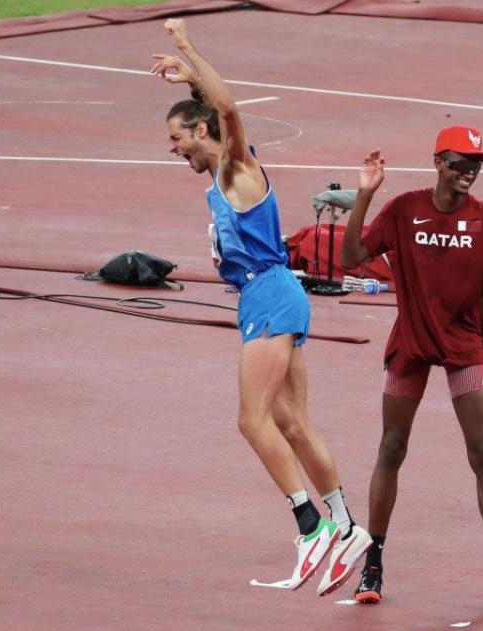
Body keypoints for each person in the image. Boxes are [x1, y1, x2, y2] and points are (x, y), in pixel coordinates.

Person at [150, 18, 371, 595]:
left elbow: (226, 107)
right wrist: (190, 77)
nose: (174, 151)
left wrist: (187, 48)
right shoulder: (222, 174)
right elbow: (213, 104)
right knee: (292, 422)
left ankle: (310, 527)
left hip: (269, 296)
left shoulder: (235, 164)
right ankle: (347, 526)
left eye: (177, 139)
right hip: (274, 296)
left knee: (252, 420)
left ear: (201, 131)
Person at [340, 127, 483, 608]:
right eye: (462, 163)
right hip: (412, 342)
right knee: (392, 448)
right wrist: (364, 194)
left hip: (465, 347)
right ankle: (372, 568)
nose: (470, 172)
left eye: (477, 165)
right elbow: (351, 257)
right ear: (439, 161)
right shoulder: (404, 209)